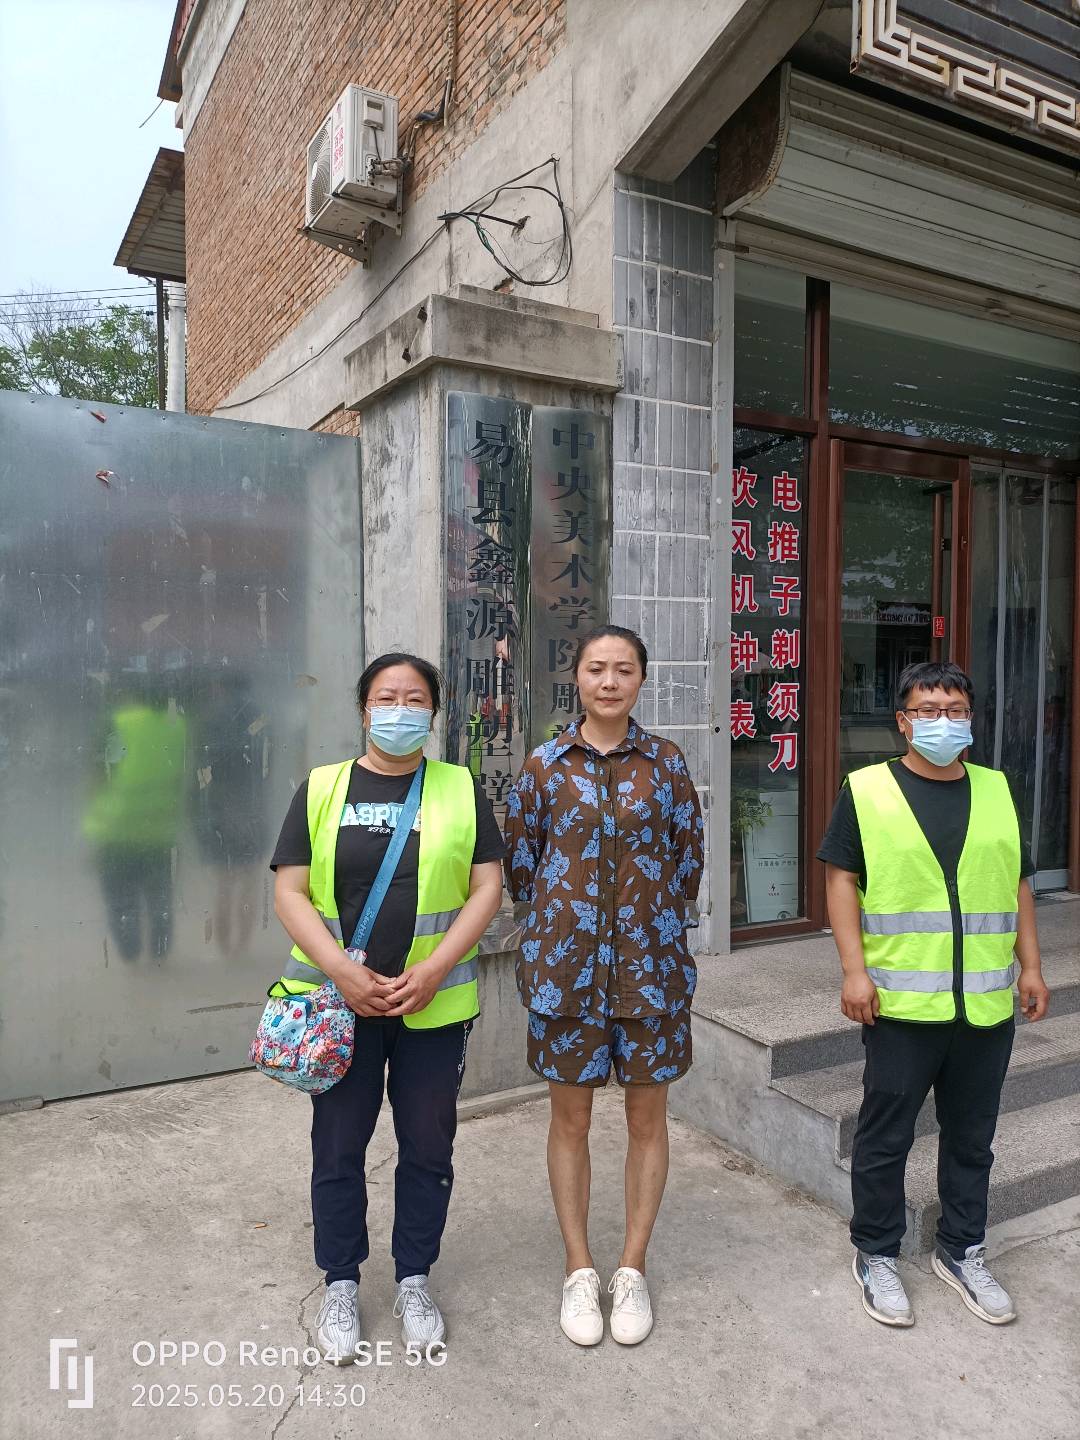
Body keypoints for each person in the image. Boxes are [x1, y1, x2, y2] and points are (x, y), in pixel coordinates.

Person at [270, 653, 504, 1362]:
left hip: (434, 1007)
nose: (399, 710)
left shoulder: (460, 788)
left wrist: (435, 968)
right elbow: (289, 890)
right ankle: (341, 1282)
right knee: (339, 1146)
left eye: (414, 699)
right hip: (340, 1008)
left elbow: (487, 887)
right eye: (385, 698)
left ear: (433, 711)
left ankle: (413, 1278)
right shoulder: (322, 787)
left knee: (428, 1147)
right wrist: (342, 972)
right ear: (363, 709)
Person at [818, 660, 1050, 1329]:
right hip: (901, 1005)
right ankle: (876, 1253)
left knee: (973, 1137)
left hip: (985, 1003)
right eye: (927, 710)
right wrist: (853, 971)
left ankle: (961, 1250)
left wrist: (1031, 967)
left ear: (971, 720)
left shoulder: (997, 789)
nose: (941, 721)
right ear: (903, 721)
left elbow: (1016, 884)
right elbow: (841, 880)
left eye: (954, 710)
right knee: (885, 1137)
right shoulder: (867, 789)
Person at [504, 625, 704, 1347]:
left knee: (648, 1122)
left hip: (651, 975)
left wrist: (645, 923)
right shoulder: (544, 766)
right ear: (578, 678)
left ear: (641, 679)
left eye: (623, 669)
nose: (610, 681)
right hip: (568, 977)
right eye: (597, 668)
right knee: (571, 1122)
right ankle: (579, 1268)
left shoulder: (668, 764)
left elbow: (688, 861)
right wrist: (568, 926)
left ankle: (632, 1267)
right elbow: (522, 868)